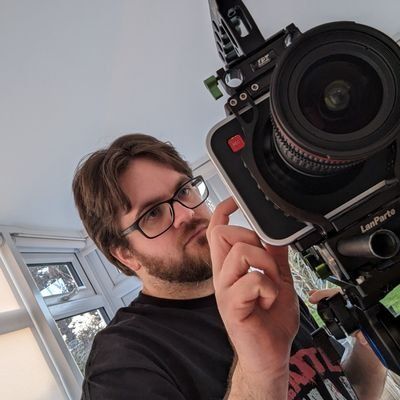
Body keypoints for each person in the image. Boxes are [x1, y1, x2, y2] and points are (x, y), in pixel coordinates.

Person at [72, 133, 386, 400]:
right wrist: (259, 370)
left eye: (184, 191)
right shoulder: (122, 362)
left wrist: (367, 337)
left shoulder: (264, 290)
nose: (187, 214)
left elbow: (343, 390)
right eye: (153, 213)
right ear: (125, 255)